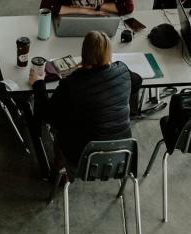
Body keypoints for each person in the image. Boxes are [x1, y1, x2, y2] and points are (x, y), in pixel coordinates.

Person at [29, 31, 137, 171]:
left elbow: (48, 114)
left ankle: (59, 168)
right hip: (122, 154)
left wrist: (38, 83)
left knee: (61, 122)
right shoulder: (123, 71)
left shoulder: (71, 84)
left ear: (84, 54)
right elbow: (137, 82)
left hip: (82, 157)